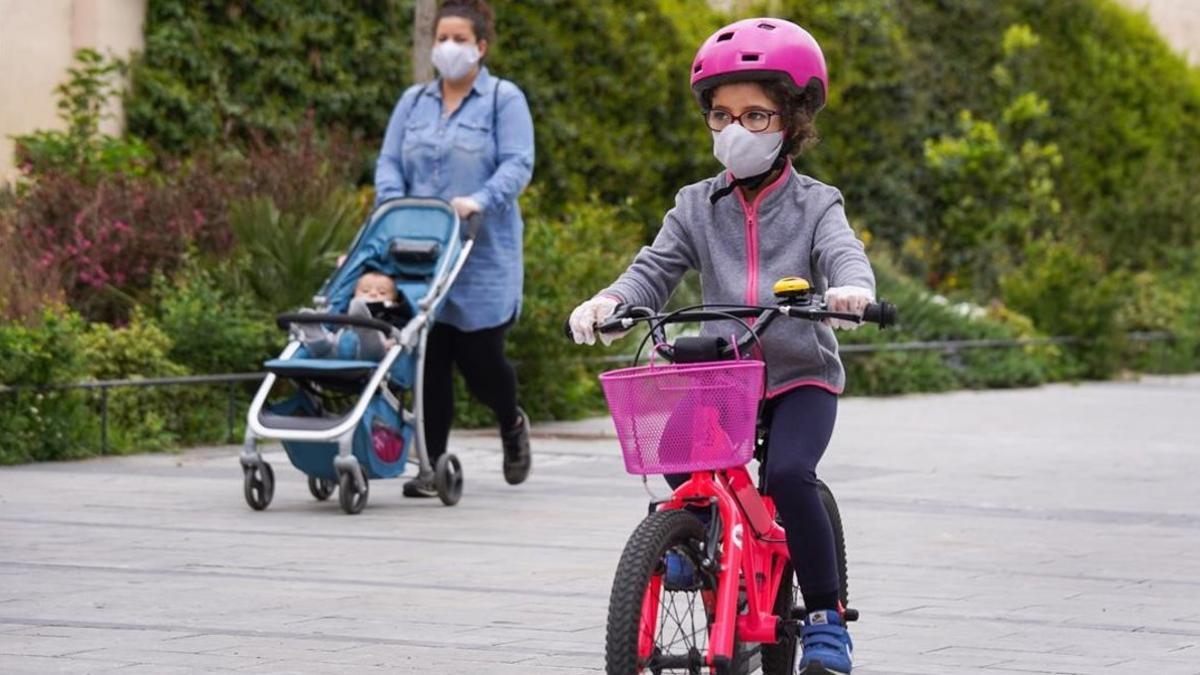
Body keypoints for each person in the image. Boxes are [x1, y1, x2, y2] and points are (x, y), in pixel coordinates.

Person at [568, 18, 873, 675]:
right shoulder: (694, 205)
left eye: (757, 115)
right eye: (721, 114)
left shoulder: (819, 204)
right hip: (723, 374)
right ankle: (699, 537)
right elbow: (653, 267)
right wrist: (610, 301)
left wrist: (849, 290)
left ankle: (823, 616)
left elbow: (843, 253)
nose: (736, 130)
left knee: (791, 475)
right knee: (676, 449)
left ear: (792, 119)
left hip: (799, 375)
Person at [374, 0, 535, 496]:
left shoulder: (502, 101)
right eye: (442, 37)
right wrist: (392, 205)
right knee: (429, 355)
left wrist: (478, 201)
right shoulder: (414, 102)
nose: (448, 47)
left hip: (480, 253)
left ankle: (510, 421)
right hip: (420, 252)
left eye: (460, 39)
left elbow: (517, 164)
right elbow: (388, 163)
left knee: (480, 360)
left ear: (481, 47)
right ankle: (432, 464)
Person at [298, 271, 400, 361]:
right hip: (337, 350)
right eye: (365, 291)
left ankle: (365, 329)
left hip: (368, 353)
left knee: (372, 341)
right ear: (354, 295)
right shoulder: (344, 313)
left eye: (382, 293)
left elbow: (399, 333)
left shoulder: (392, 315)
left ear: (394, 301)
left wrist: (392, 341)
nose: (373, 294)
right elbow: (334, 329)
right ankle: (318, 339)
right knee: (331, 339)